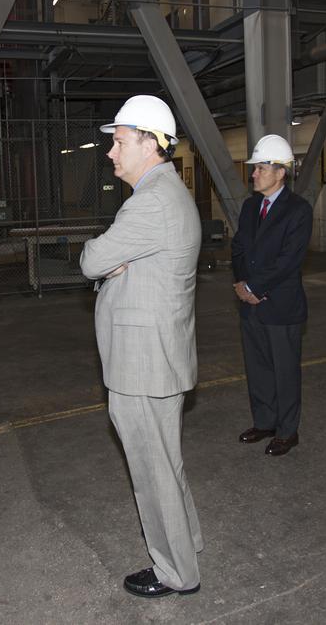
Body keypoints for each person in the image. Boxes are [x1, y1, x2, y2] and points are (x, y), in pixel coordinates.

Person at [79, 95, 203, 600]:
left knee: (151, 472)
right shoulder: (167, 194)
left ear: (150, 143)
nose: (111, 152)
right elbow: (114, 261)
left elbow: (91, 259)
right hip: (156, 356)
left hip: (143, 364)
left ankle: (176, 571)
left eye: (120, 141)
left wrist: (108, 260)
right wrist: (116, 263)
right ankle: (188, 542)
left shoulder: (151, 201)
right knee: (165, 462)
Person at [231, 134, 312, 457]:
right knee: (258, 367)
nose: (254, 174)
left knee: (285, 370)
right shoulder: (251, 206)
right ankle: (265, 421)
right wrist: (242, 284)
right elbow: (238, 248)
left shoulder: (298, 210)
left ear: (280, 172)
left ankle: (287, 431)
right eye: (255, 169)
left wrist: (255, 288)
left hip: (280, 305)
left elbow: (288, 261)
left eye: (261, 168)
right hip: (251, 305)